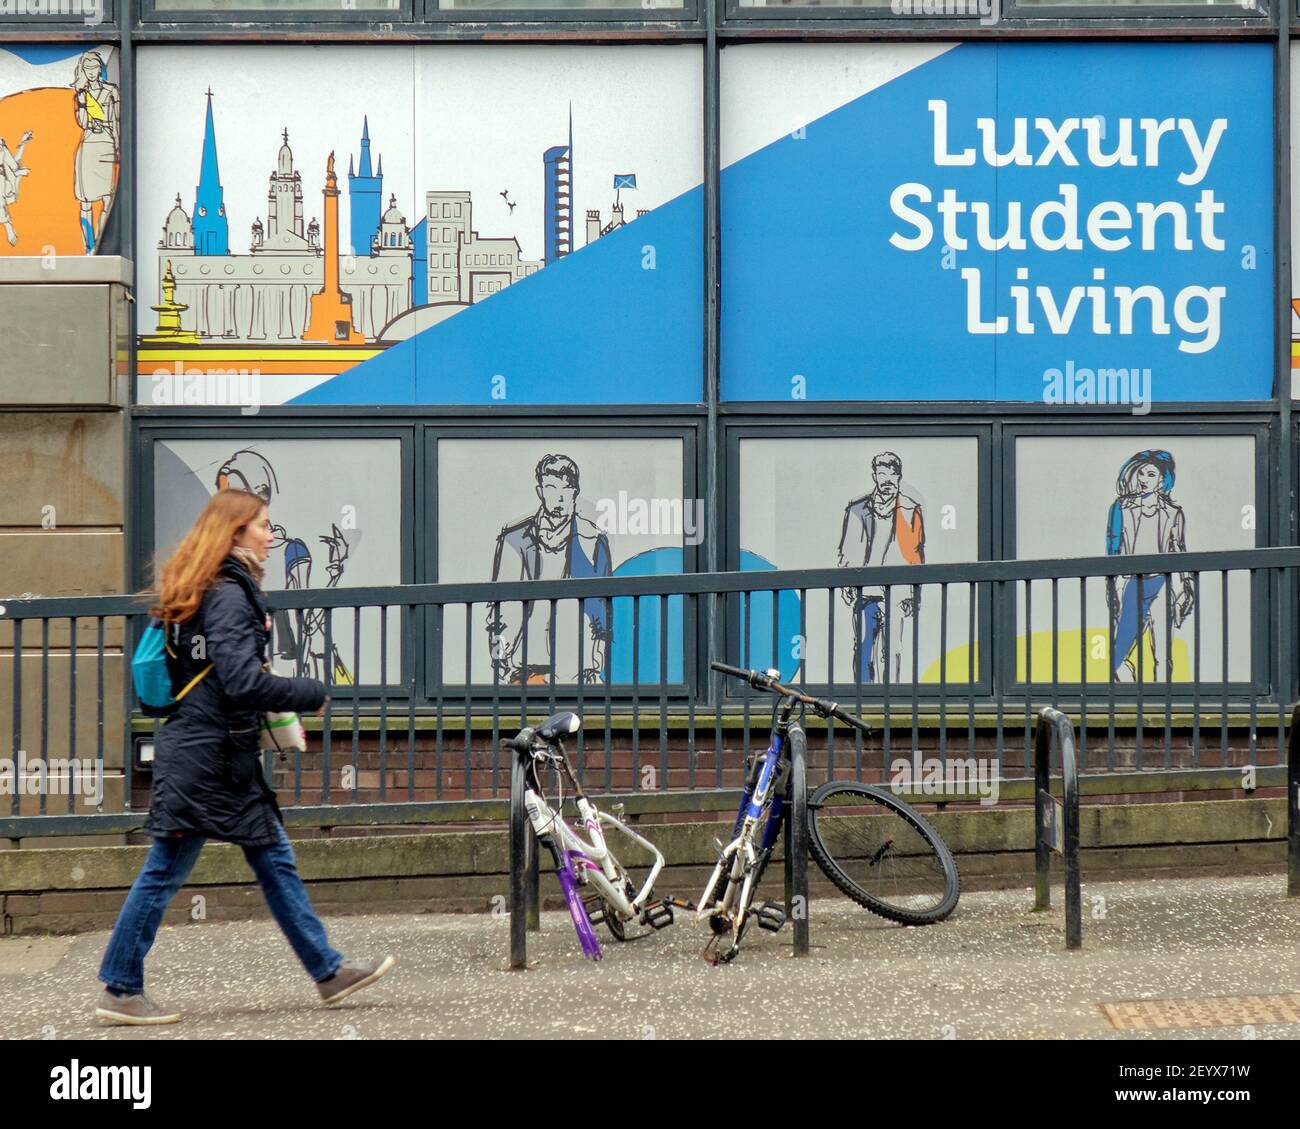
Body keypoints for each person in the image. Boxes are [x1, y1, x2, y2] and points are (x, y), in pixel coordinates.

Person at [95, 489, 393, 1025]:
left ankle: (327, 972)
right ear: (235, 533)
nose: (272, 534)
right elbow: (238, 680)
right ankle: (119, 988)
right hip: (204, 762)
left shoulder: (205, 589)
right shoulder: (228, 594)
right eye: (263, 525)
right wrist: (305, 692)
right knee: (163, 871)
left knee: (274, 860)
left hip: (217, 758)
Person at [1106, 449, 1195, 682]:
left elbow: (1179, 550)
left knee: (1163, 651)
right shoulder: (1121, 508)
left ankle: (1163, 700)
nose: (1144, 480)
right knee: (1117, 657)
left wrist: (1186, 586)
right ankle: (1131, 697)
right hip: (1132, 583)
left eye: (1151, 474)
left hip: (1161, 583)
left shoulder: (1173, 513)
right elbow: (1112, 548)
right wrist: (1112, 585)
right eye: (1142, 474)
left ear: (1162, 480)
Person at [837, 451, 925, 684]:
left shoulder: (910, 509)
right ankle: (863, 695)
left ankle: (892, 696)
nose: (886, 481)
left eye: (891, 475)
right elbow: (847, 551)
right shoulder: (856, 509)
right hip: (866, 593)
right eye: (881, 474)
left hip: (896, 593)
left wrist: (914, 595)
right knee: (864, 647)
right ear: (874, 476)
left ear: (899, 477)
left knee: (893, 650)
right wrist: (847, 583)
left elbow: (916, 553)